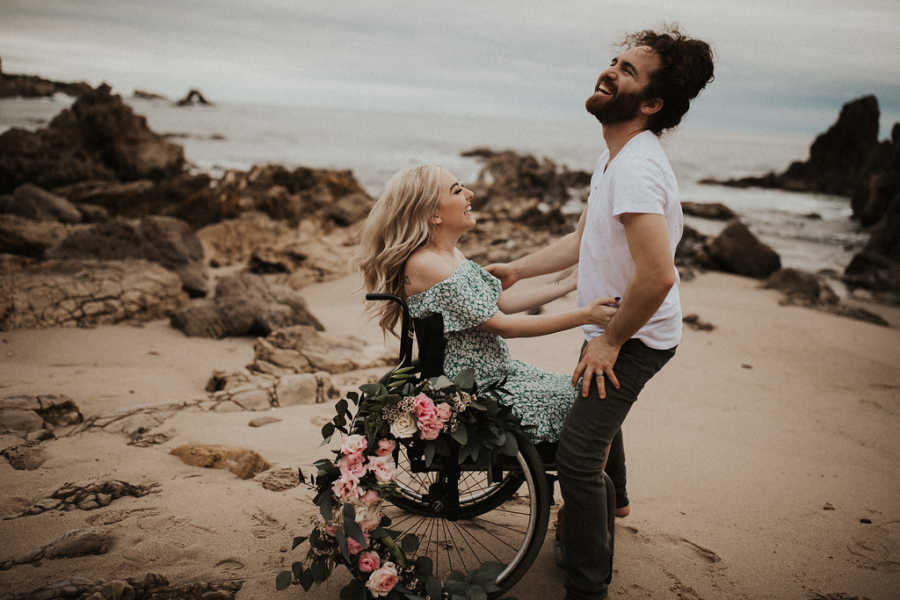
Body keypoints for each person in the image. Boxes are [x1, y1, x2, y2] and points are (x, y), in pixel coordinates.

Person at [487, 27, 715, 599]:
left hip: (635, 335)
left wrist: (610, 341)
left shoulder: (638, 169)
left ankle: (588, 586)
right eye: (613, 62)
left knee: (579, 456)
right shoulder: (615, 156)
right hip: (612, 322)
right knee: (598, 409)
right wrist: (516, 269)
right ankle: (622, 499)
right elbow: (580, 240)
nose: (610, 71)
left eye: (628, 71)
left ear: (651, 103)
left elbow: (658, 276)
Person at [359, 164, 619, 443]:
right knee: (589, 409)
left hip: (501, 373)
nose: (470, 194)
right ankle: (588, 479)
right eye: (457, 190)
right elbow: (504, 326)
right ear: (433, 214)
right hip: (475, 390)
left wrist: (568, 283)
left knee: (591, 399)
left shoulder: (449, 255)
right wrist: (584, 316)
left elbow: (502, 302)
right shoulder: (428, 265)